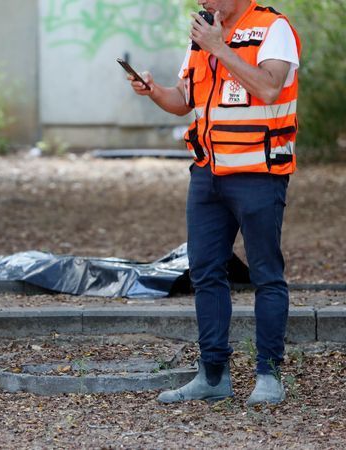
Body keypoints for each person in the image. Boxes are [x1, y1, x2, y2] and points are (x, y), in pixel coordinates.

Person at [128, 0, 300, 405]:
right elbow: (184, 101)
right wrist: (153, 91)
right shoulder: (203, 35)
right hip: (207, 176)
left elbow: (269, 87)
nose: (201, 2)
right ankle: (213, 375)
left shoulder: (273, 28)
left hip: (260, 174)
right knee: (204, 271)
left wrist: (220, 47)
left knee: (266, 275)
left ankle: (269, 375)